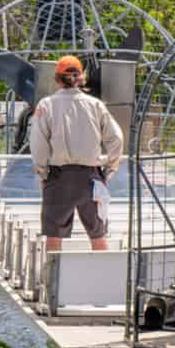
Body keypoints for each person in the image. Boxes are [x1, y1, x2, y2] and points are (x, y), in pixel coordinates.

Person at [30, 54, 123, 251]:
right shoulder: (95, 105)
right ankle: (103, 278)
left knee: (54, 235)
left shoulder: (46, 105)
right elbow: (117, 139)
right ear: (82, 78)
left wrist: (42, 171)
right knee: (98, 234)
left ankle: (52, 280)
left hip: (57, 177)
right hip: (91, 177)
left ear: (56, 80)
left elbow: (38, 144)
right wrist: (109, 169)